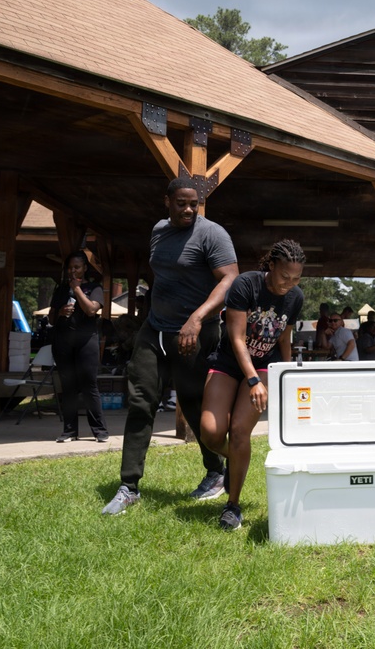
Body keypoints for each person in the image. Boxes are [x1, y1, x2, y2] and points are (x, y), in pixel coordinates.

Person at [102, 178, 239, 515]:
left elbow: (230, 277)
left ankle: (215, 472)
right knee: (140, 401)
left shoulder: (212, 234)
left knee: (194, 406)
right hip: (155, 330)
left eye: (195, 204)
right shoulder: (159, 230)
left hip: (195, 333)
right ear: (168, 201)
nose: (189, 209)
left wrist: (197, 317)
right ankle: (129, 486)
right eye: (182, 203)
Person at [200, 240, 305, 531]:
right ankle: (236, 459)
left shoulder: (295, 297)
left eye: (296, 278)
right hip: (228, 361)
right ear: (271, 266)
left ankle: (232, 506)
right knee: (210, 432)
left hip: (263, 364)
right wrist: (253, 381)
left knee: (240, 433)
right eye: (285, 276)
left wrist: (285, 377)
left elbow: (284, 339)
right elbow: (236, 339)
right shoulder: (246, 285)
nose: (289, 283)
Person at [48, 250, 109, 443]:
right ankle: (69, 431)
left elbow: (91, 310)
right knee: (68, 388)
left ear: (84, 268)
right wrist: (59, 313)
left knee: (89, 385)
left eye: (77, 267)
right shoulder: (60, 289)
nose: (72, 271)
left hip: (85, 341)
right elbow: (50, 318)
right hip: (63, 342)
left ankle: (100, 431)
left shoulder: (94, 288)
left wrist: (77, 290)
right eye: (70, 268)